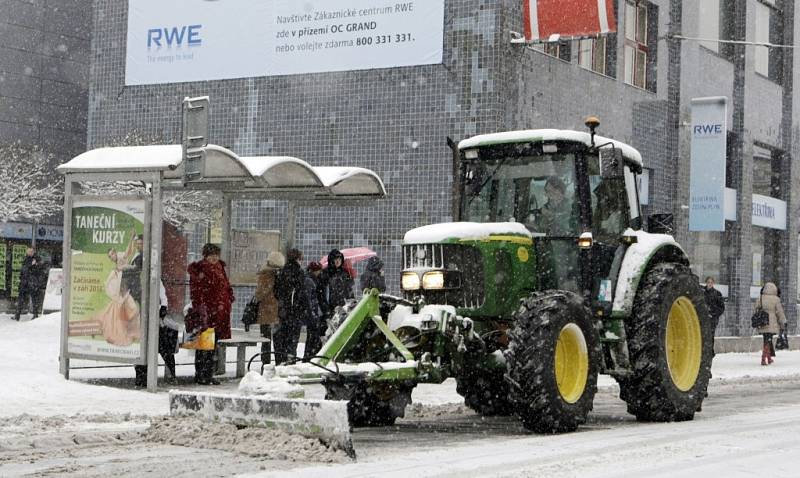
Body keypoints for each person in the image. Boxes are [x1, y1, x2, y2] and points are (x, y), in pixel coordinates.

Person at [187, 243, 234, 385]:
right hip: (207, 313)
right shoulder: (200, 269)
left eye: (216, 255)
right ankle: (202, 374)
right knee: (204, 345)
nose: (214, 258)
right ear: (205, 256)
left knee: (212, 345)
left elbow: (225, 285)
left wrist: (228, 298)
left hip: (219, 313)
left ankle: (207, 374)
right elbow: (196, 291)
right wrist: (202, 308)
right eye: (211, 255)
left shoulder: (220, 267)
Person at [133, 282, 177, 387]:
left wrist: (163, 307)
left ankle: (143, 377)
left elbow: (162, 295)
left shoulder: (153, 277)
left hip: (152, 318)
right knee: (145, 350)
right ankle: (142, 377)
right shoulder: (143, 277)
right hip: (144, 318)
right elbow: (163, 296)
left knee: (157, 348)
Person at [94, 247, 141, 346]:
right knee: (120, 311)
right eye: (109, 256)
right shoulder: (118, 263)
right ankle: (122, 331)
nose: (111, 257)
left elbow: (128, 251)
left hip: (124, 287)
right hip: (122, 288)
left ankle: (125, 330)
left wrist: (132, 238)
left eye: (112, 254)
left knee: (125, 310)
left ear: (115, 252)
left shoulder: (121, 257)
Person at [273, 248, 310, 365]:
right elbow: (303, 294)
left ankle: (280, 361)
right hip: (295, 312)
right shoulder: (299, 272)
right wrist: (305, 309)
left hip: (283, 311)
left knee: (281, 338)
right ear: (298, 259)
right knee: (292, 340)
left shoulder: (282, 271)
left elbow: (276, 291)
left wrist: (283, 303)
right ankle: (290, 362)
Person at [254, 251, 285, 364]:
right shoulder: (279, 275)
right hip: (276, 312)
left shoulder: (265, 275)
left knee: (266, 340)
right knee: (277, 340)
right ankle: (278, 361)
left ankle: (266, 362)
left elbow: (259, 294)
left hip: (266, 312)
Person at [754, 282, 786, 366]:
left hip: (763, 322)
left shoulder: (760, 297)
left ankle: (768, 358)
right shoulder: (776, 299)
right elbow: (780, 312)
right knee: (768, 340)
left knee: (767, 339)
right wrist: (783, 321)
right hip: (772, 323)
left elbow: (756, 308)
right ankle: (763, 358)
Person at [321, 249, 355, 318]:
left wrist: (352, 301)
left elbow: (348, 290)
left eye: (339, 258)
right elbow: (323, 292)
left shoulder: (344, 273)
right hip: (331, 307)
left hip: (344, 306)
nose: (338, 261)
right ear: (331, 260)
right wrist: (326, 308)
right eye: (335, 259)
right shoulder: (326, 273)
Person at [14, 247, 45, 320]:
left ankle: (35, 314)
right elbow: (23, 270)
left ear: (34, 252)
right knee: (21, 299)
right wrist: (21, 278)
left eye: (31, 251)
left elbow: (38, 270)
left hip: (32, 282)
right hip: (24, 282)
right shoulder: (26, 259)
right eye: (28, 251)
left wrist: (33, 265)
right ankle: (17, 315)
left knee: (34, 299)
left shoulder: (37, 259)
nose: (29, 252)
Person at [303, 261, 326, 360]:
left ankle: (310, 356)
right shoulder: (309, 281)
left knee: (313, 337)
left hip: (313, 313)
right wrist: (312, 313)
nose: (320, 272)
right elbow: (309, 299)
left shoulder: (313, 279)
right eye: (319, 270)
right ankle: (309, 357)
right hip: (312, 314)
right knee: (312, 337)